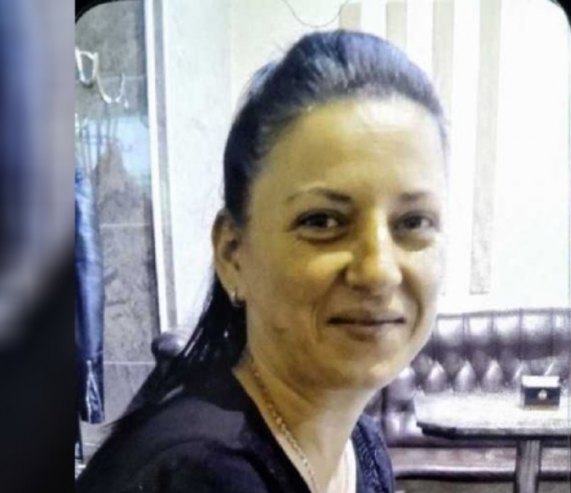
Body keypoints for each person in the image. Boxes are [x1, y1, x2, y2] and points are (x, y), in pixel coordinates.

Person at [76, 29, 448, 493]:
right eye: (322, 221)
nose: (379, 271)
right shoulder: (200, 473)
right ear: (233, 254)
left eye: (413, 222)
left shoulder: (360, 444)